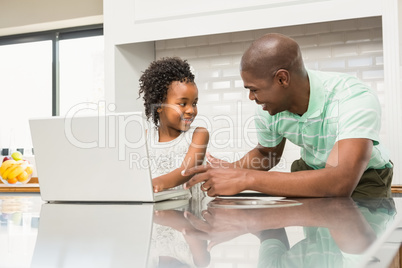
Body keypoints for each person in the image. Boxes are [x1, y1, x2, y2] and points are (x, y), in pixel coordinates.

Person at [183, 33, 393, 198]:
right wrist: (232, 169)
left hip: (363, 179)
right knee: (320, 248)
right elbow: (267, 153)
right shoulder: (268, 107)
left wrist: (246, 177)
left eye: (254, 89)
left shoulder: (353, 97)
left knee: (353, 247)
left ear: (282, 79)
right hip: (311, 170)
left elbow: (339, 182)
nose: (251, 97)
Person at [139, 57, 209, 198]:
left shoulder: (198, 134)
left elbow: (187, 170)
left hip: (189, 214)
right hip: (158, 208)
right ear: (159, 106)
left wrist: (157, 183)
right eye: (183, 104)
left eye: (194, 103)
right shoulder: (146, 137)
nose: (191, 110)